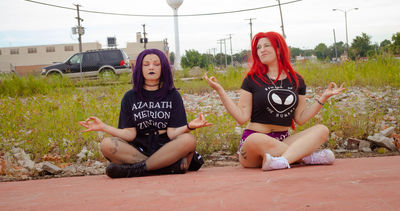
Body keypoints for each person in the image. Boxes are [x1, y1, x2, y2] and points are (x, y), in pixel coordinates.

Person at [204, 31, 345, 171]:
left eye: (267, 46)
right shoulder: (251, 80)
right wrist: (220, 91)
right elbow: (241, 118)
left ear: (278, 49)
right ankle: (303, 157)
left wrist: (323, 97)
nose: (262, 50)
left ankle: (282, 160)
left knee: (322, 130)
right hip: (255, 145)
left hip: (282, 140)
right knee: (256, 139)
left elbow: (300, 118)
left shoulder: (297, 80)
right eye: (258, 48)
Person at [79, 49, 211, 178]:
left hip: (168, 148)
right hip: (139, 148)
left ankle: (138, 169)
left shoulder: (173, 95)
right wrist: (104, 127)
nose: (151, 67)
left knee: (188, 140)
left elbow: (172, 133)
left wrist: (190, 126)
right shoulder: (130, 97)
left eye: (156, 64)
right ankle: (165, 167)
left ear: (163, 68)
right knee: (107, 144)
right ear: (140, 69)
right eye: (146, 64)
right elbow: (130, 134)